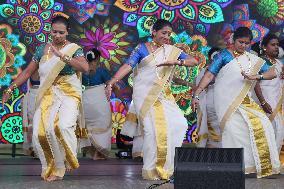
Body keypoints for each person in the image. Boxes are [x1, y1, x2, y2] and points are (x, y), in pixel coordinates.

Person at [105, 19, 198, 180]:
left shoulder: (172, 51)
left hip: (164, 96)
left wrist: (177, 61)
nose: (167, 36)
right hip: (145, 95)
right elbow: (128, 65)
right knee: (151, 130)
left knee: (179, 124)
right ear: (153, 31)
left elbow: (194, 61)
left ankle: (167, 167)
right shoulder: (142, 48)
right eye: (163, 33)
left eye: (169, 34)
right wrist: (112, 82)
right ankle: (151, 169)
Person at [2, 15, 89, 182]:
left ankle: (67, 159)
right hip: (48, 93)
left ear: (67, 32)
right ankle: (53, 167)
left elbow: (84, 67)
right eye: (54, 31)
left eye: (61, 33)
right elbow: (27, 72)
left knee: (63, 127)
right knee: (39, 133)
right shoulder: (42, 49)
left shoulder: (73, 49)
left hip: (69, 93)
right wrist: (10, 88)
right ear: (50, 30)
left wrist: (64, 57)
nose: (57, 35)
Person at [192, 27, 280, 178]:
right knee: (232, 131)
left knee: (264, 124)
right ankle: (235, 166)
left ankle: (255, 166)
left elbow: (272, 72)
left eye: (247, 43)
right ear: (233, 40)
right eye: (241, 42)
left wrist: (257, 77)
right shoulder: (224, 55)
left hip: (245, 101)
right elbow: (208, 75)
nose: (244, 46)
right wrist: (197, 94)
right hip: (226, 101)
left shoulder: (251, 58)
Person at [82, 48, 112, 160]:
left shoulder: (81, 71)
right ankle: (98, 153)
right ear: (98, 58)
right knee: (102, 125)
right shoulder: (102, 72)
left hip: (85, 100)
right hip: (99, 101)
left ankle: (94, 152)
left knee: (89, 127)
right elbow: (111, 84)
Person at [195, 47, 221, 148]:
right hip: (211, 101)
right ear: (210, 59)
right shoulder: (206, 71)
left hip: (223, 100)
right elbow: (199, 86)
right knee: (213, 126)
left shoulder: (226, 69)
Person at [22, 72, 40, 157]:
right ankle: (34, 147)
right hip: (33, 96)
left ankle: (43, 148)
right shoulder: (32, 69)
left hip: (47, 95)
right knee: (33, 123)